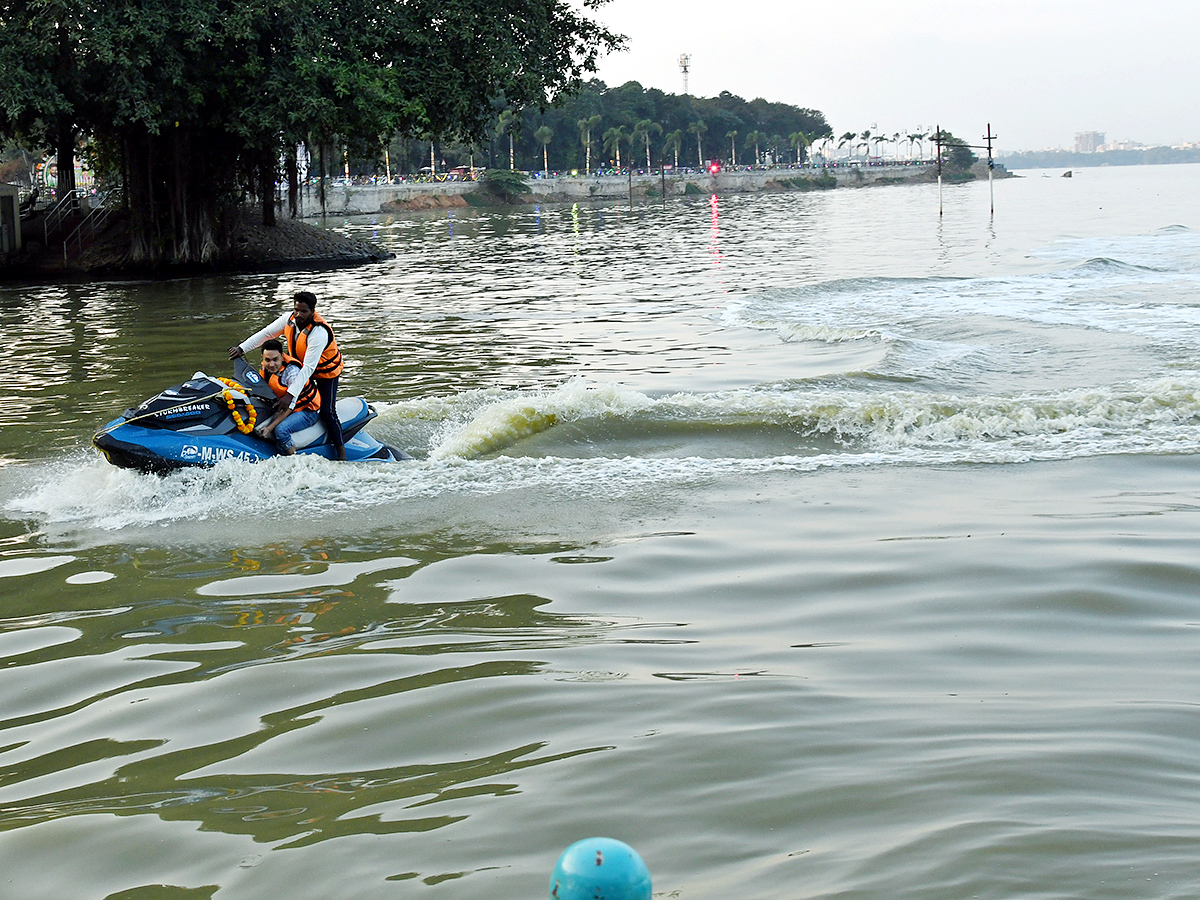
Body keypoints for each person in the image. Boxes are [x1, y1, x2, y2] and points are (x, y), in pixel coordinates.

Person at [229, 291, 346, 459]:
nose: (298, 314)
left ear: (312, 311)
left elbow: (309, 368)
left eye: (303, 311)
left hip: (325, 373)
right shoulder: (289, 319)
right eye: (296, 309)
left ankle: (341, 453)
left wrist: (290, 395)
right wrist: (242, 348)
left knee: (327, 412)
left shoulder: (319, 332)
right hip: (299, 369)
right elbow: (266, 334)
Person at [253, 340, 321, 455]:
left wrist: (269, 428)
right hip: (284, 406)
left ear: (282, 357)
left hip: (307, 410)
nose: (271, 364)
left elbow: (290, 405)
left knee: (281, 430)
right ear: (263, 358)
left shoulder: (292, 372)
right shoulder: (266, 368)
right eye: (267, 360)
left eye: (275, 359)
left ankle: (293, 458)